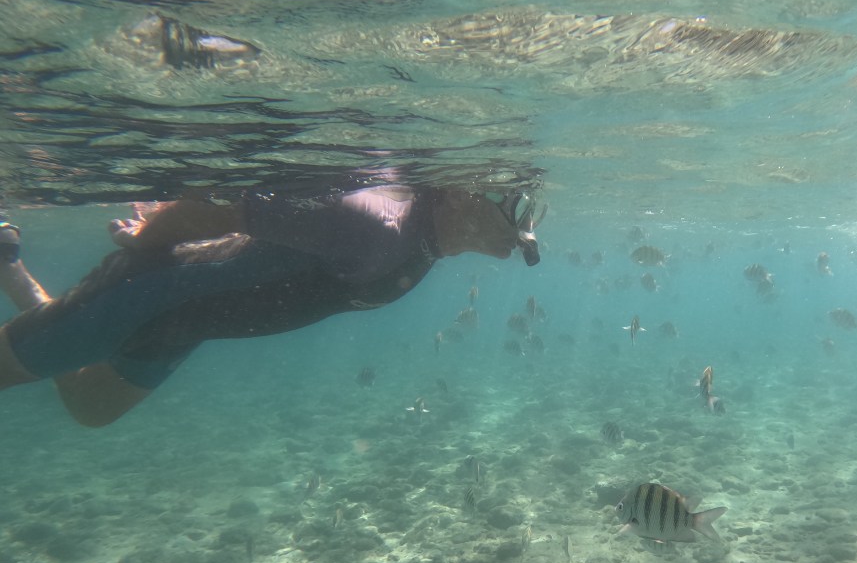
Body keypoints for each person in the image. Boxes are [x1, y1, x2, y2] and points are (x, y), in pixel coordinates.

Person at [0, 183, 540, 427]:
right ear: (456, 190)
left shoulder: (421, 240)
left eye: (530, 202)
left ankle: (8, 261)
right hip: (145, 295)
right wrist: (142, 242)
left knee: (91, 407)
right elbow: (226, 210)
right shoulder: (379, 226)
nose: (525, 221)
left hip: (183, 324)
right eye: (513, 199)